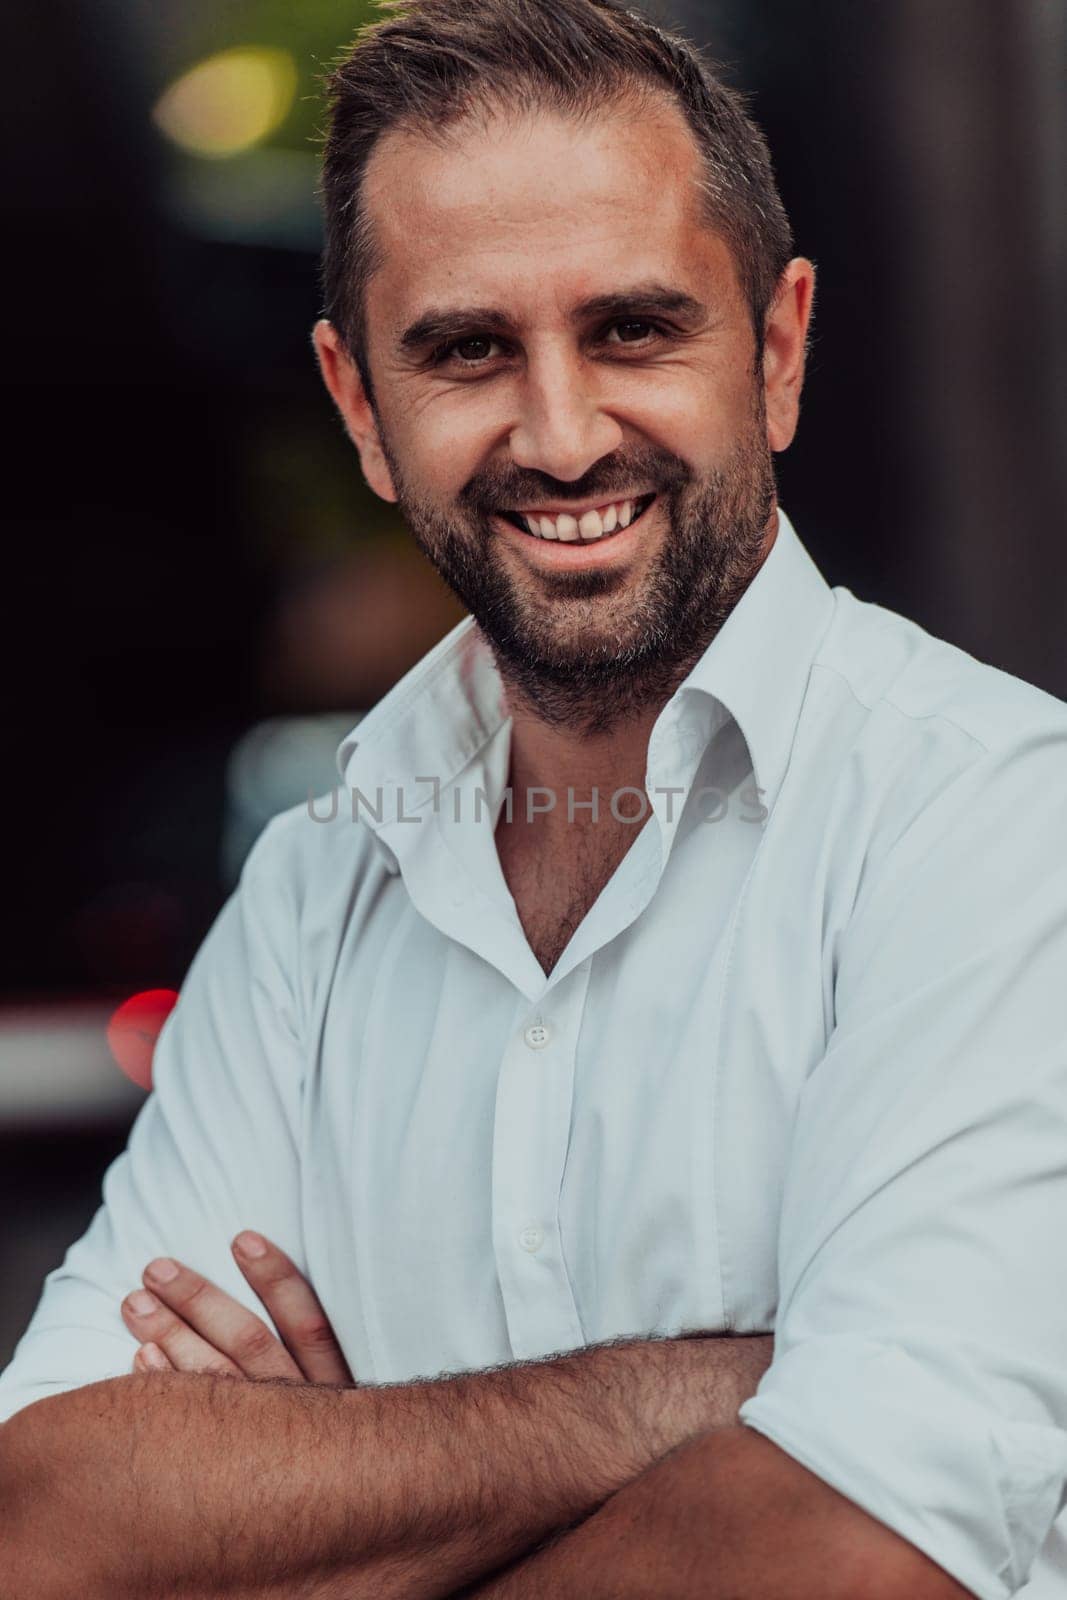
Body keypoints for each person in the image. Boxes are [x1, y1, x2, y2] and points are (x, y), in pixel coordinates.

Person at [2, 1, 1066, 1594]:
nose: (561, 436)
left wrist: (336, 1508)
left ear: (776, 349)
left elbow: (851, 1549)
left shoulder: (995, 827)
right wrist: (694, 1394)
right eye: (466, 349)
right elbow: (48, 1519)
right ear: (360, 405)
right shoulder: (313, 895)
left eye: (634, 330)